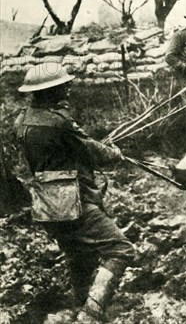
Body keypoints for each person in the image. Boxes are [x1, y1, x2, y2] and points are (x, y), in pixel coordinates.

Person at [15, 63, 134, 323]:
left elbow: (58, 155)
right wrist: (114, 153)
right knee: (121, 249)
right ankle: (92, 313)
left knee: (78, 255)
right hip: (75, 202)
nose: (67, 91)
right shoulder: (59, 123)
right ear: (50, 91)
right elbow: (91, 151)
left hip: (47, 207)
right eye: (62, 87)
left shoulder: (22, 121)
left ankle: (82, 307)